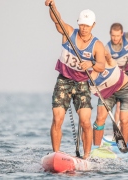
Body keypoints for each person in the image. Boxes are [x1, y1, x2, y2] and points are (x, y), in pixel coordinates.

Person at [45, 0, 106, 159]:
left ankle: (86, 157)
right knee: (57, 118)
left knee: (85, 122)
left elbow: (101, 65)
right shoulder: (70, 33)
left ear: (93, 25)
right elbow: (57, 20)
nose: (84, 28)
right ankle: (56, 154)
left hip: (81, 84)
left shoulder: (97, 45)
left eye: (87, 25)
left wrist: (91, 63)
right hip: (63, 81)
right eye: (82, 25)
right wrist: (52, 6)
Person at [90, 50, 128, 145]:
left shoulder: (109, 62)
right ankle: (96, 148)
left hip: (126, 89)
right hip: (107, 93)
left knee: (124, 120)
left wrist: (103, 52)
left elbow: (107, 54)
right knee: (100, 119)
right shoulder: (90, 74)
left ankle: (124, 146)